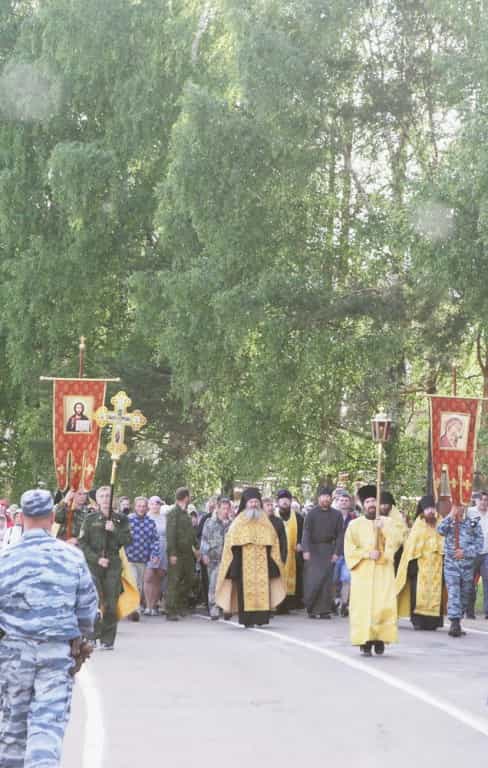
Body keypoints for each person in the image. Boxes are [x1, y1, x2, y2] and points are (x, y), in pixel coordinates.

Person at [0, 488, 98, 767]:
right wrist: (82, 634)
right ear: (52, 516)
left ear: (21, 518)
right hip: (56, 652)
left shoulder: (5, 559)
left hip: (14, 654)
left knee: (12, 727)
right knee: (47, 727)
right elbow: (87, 610)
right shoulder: (71, 557)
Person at [216, 487, 285, 628]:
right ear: (245, 503)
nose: (253, 505)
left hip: (263, 562)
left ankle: (261, 619)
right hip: (243, 562)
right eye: (251, 502)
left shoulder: (265, 521)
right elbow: (231, 543)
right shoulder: (238, 521)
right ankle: (247, 620)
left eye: (256, 502)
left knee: (262, 590)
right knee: (245, 592)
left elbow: (273, 541)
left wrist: (273, 561)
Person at [344, 485, 401, 656]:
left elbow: (397, 542)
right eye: (368, 501)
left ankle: (380, 639)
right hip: (363, 572)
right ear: (362, 505)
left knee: (382, 606)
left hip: (383, 571)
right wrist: (368, 554)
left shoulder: (388, 522)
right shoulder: (354, 524)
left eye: (373, 501)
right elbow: (349, 549)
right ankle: (365, 640)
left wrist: (383, 527)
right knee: (364, 607)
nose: (371, 504)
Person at [79, 485, 132, 649]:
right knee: (92, 602)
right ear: (97, 499)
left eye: (108, 496)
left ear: (113, 499)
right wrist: (96, 559)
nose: (105, 499)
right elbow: (82, 543)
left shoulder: (121, 519)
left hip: (113, 565)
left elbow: (127, 540)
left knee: (110, 603)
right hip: (94, 565)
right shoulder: (90, 519)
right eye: (102, 496)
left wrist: (114, 530)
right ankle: (91, 636)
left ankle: (107, 640)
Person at [396, 496, 444, 630]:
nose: (430, 512)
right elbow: (411, 546)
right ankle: (418, 621)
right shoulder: (418, 524)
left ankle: (434, 623)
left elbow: (445, 542)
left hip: (437, 565)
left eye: (432, 508)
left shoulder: (441, 522)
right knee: (417, 594)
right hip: (420, 565)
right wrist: (412, 565)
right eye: (427, 509)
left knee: (436, 593)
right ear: (422, 510)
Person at [437, 504, 483, 637]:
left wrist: (465, 552)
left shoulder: (473, 523)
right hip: (451, 564)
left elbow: (479, 544)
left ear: (466, 507)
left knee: (465, 594)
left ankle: (458, 619)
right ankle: (454, 622)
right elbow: (440, 530)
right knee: (453, 592)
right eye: (457, 506)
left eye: (462, 506)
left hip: (467, 566)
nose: (460, 508)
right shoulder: (449, 521)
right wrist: (451, 515)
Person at [302, 486, 344, 619]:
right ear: (318, 498)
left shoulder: (337, 515)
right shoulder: (311, 513)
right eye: (323, 496)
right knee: (314, 581)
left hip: (329, 550)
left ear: (331, 498)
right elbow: (306, 532)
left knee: (327, 582)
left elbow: (340, 535)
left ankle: (325, 610)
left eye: (328, 496)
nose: (326, 499)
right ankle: (312, 609)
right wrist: (306, 549)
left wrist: (337, 552)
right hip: (313, 550)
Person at [166, 487, 199, 621]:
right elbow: (171, 534)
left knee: (190, 579)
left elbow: (191, 532)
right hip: (177, 552)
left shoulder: (186, 512)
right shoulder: (173, 513)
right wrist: (172, 553)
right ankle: (171, 609)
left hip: (187, 553)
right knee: (174, 581)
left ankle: (179, 604)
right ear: (185, 497)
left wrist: (196, 547)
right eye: (189, 495)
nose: (190, 497)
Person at [125, 496, 160, 619]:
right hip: (129, 558)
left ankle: (134, 606)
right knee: (133, 582)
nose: (141, 508)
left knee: (139, 585)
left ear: (146, 508)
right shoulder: (128, 520)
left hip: (143, 559)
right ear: (135, 507)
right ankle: (134, 609)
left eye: (143, 506)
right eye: (139, 506)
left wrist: (155, 554)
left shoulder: (150, 523)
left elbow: (155, 540)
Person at [200, 497, 231, 619]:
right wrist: (204, 554)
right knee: (213, 584)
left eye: (228, 508)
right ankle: (214, 608)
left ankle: (227, 607)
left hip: (227, 559)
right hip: (213, 558)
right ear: (217, 508)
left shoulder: (231, 524)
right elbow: (204, 539)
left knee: (227, 584)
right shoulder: (209, 522)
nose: (225, 511)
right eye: (223, 508)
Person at [275, 489, 304, 613]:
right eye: (282, 499)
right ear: (278, 501)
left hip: (293, 554)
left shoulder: (298, 517)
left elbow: (303, 533)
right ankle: (277, 604)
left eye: (287, 499)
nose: (285, 501)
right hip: (278, 553)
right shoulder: (273, 517)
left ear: (290, 501)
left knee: (293, 578)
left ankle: (290, 605)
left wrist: (300, 543)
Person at [144, 495, 168, 615]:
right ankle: (147, 605)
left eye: (157, 503)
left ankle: (154, 606)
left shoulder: (164, 518)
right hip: (149, 548)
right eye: (152, 503)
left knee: (158, 577)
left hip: (163, 548)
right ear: (149, 505)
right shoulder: (146, 517)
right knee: (149, 576)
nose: (155, 506)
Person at [466, 490, 488, 618]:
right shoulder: (469, 512)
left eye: (486, 500)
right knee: (470, 582)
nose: (484, 502)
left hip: (486, 553)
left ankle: (487, 611)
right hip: (472, 553)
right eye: (482, 500)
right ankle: (469, 611)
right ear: (477, 500)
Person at [333, 491, 356, 617]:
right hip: (335, 552)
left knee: (346, 579)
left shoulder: (354, 518)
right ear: (337, 502)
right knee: (334, 579)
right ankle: (334, 601)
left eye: (346, 500)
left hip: (348, 553)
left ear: (350, 502)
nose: (343, 502)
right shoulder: (332, 516)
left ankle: (344, 604)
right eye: (341, 500)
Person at [263, 497, 287, 563]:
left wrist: (283, 558)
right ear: (262, 507)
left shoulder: (279, 521)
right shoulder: (258, 521)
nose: (271, 508)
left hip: (276, 558)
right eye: (268, 505)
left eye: (271, 505)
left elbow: (283, 542)